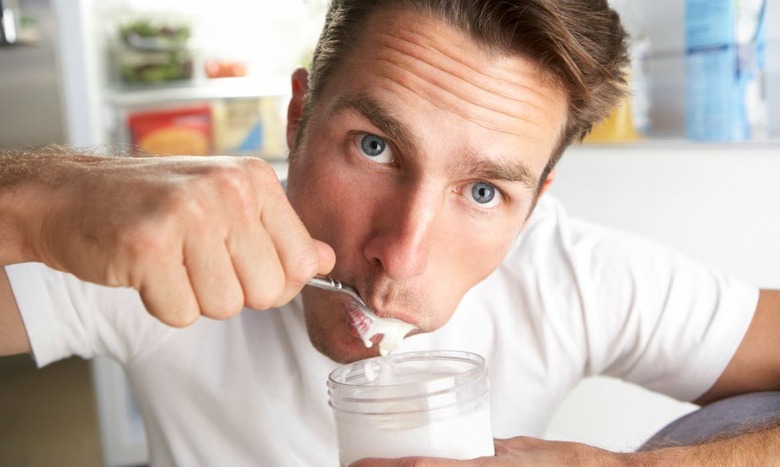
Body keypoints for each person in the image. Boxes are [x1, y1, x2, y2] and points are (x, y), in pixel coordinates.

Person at [1, 0, 778, 464]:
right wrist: (39, 204)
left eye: (483, 191)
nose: (401, 254)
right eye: (374, 147)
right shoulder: (167, 246)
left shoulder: (569, 275)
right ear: (299, 117)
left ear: (535, 206)